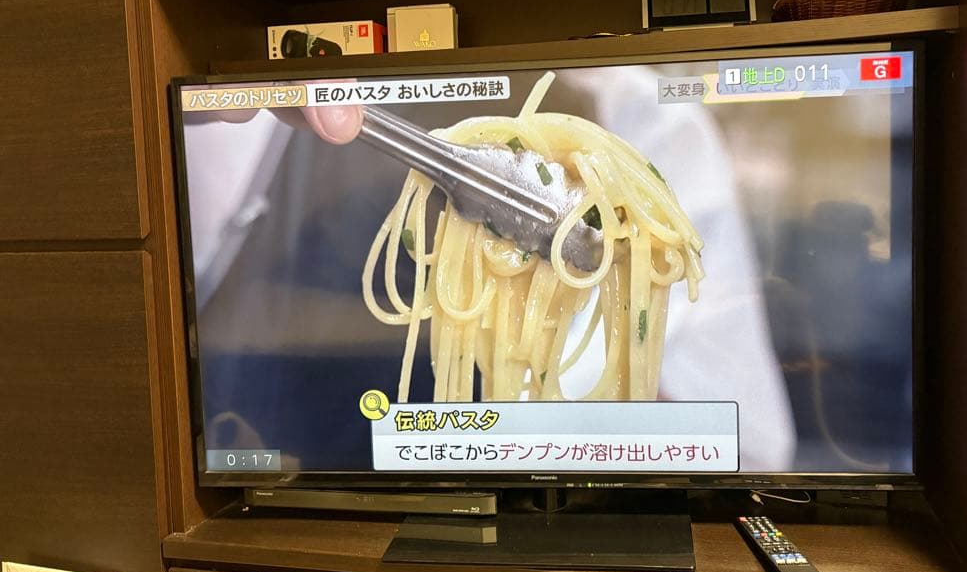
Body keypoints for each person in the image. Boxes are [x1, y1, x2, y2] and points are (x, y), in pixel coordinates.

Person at [182, 68, 797, 473]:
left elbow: (746, 447)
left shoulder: (653, 127)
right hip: (300, 509)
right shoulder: (290, 98)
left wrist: (592, 408)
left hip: (542, 536)